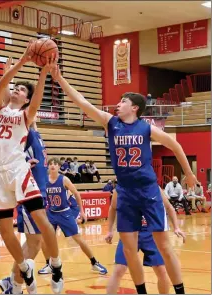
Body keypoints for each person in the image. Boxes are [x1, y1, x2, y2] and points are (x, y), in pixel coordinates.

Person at [50, 64, 197, 294]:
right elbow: (83, 104)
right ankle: (141, 292)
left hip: (148, 190)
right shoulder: (111, 123)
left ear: (135, 107)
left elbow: (175, 145)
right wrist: (60, 79)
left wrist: (188, 173)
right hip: (125, 191)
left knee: (164, 246)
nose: (118, 104)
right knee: (129, 250)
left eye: (122, 101)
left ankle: (180, 291)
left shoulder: (146, 129)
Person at [0, 42, 63, 294]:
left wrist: (42, 73)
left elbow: (37, 100)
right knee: (7, 231)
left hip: (18, 170)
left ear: (26, 99)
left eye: (21, 89)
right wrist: (20, 63)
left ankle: (56, 265)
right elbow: (0, 87)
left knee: (42, 222)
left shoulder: (25, 117)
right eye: (15, 87)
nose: (16, 90)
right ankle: (23, 268)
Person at [0, 116, 49, 294]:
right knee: (34, 244)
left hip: (40, 191)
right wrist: (24, 164)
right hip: (29, 193)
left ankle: (11, 280)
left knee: (32, 242)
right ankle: (15, 285)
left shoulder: (36, 133)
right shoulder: (22, 136)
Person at [105, 188, 186, 294]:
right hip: (130, 232)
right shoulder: (120, 189)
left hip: (151, 233)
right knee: (119, 269)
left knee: (161, 270)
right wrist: (109, 230)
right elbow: (112, 208)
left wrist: (176, 227)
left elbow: (169, 207)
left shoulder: (153, 187)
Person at [37, 157, 107, 275]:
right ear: (48, 167)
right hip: (51, 213)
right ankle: (49, 264)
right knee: (44, 239)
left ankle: (94, 263)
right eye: (50, 164)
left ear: (59, 167)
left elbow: (76, 194)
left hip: (64, 213)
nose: (53, 165)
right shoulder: (45, 180)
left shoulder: (64, 179)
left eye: (55, 164)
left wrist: (82, 212)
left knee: (78, 238)